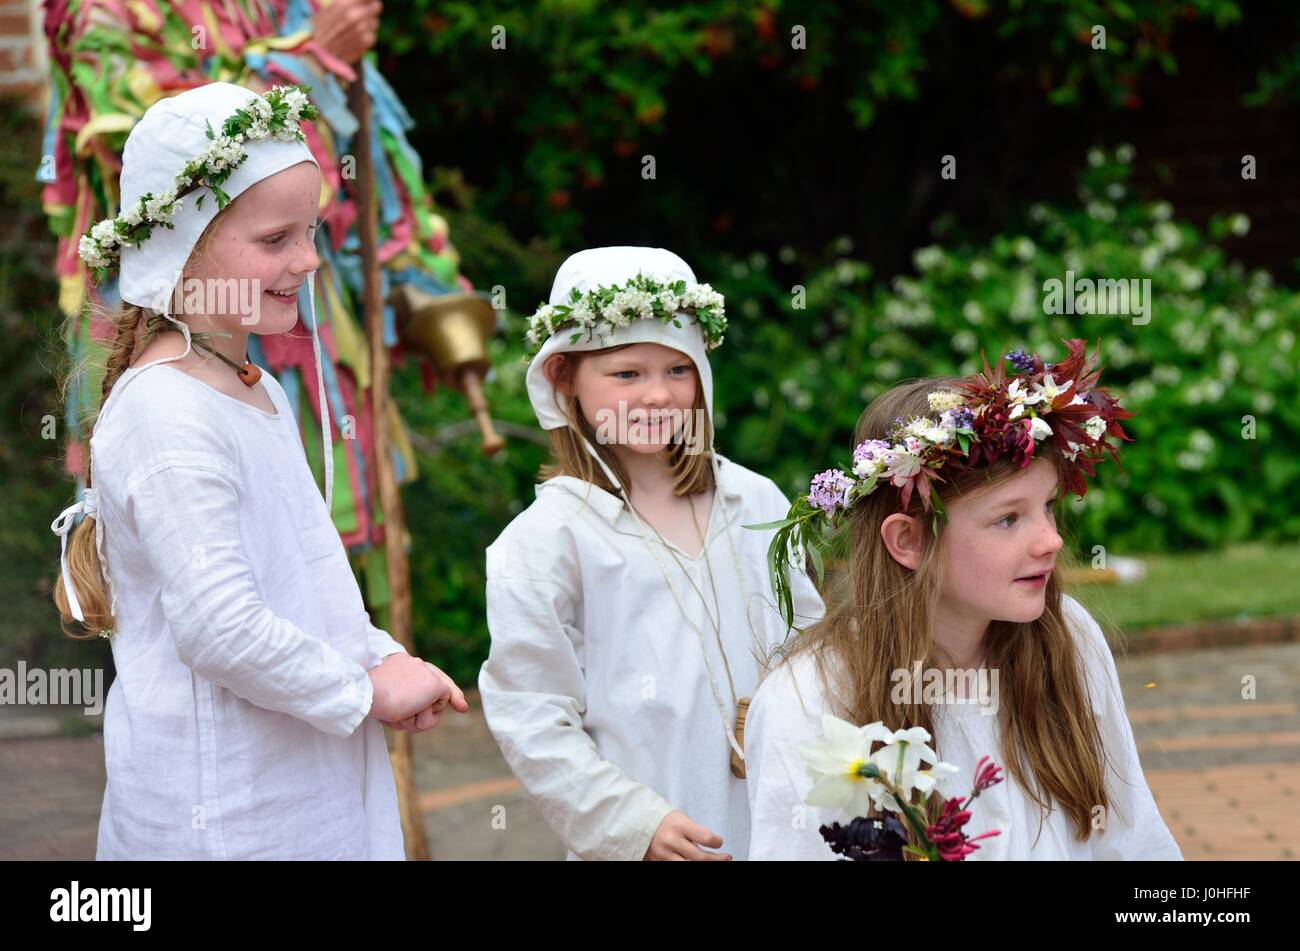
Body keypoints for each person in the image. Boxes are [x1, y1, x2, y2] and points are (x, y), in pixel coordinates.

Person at [50, 82, 467, 860]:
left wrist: (378, 653)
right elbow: (220, 627)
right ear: (182, 244)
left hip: (301, 789)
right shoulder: (166, 412)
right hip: (227, 814)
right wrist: (364, 690)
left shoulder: (254, 385)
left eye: (310, 232)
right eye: (276, 239)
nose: (308, 260)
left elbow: (304, 576)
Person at [745, 341, 1183, 860]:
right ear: (907, 541)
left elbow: (1130, 840)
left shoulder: (1068, 635)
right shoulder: (811, 698)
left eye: (1047, 507)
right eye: (1008, 519)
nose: (1052, 541)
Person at [479, 246, 825, 860]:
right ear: (564, 378)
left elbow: (810, 649)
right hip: (659, 832)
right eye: (626, 374)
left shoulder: (753, 499)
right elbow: (532, 715)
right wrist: (628, 822)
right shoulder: (548, 540)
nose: (658, 396)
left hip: (778, 825)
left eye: (678, 370)